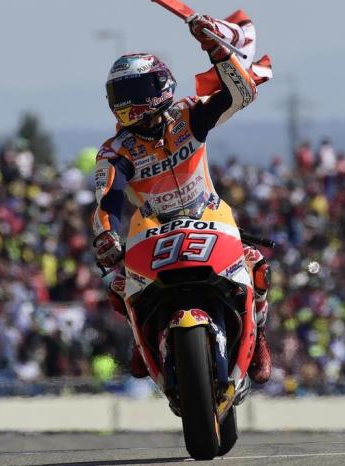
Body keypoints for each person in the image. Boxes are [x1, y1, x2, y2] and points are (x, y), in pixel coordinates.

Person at [91, 15, 271, 383]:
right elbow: (106, 199)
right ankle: (141, 340)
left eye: (133, 92)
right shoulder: (115, 151)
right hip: (154, 229)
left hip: (209, 216)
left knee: (257, 264)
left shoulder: (188, 116)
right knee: (119, 286)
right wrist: (106, 235)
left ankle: (260, 335)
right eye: (119, 96)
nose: (126, 104)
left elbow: (243, 94)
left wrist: (217, 51)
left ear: (158, 87)